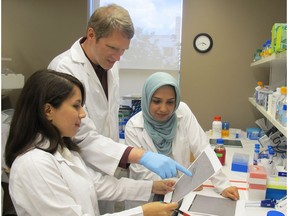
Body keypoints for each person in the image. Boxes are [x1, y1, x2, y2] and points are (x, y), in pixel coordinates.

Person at [48, 4, 191, 213]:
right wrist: (140, 155)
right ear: (91, 34)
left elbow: (108, 118)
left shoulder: (110, 64)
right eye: (113, 48)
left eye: (123, 50)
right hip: (78, 165)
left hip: (105, 168)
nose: (118, 57)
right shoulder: (64, 69)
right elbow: (83, 136)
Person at [4, 69, 179, 216]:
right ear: (48, 111)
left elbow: (100, 184)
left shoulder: (63, 151)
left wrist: (153, 187)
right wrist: (142, 212)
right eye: (76, 106)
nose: (83, 114)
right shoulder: (33, 165)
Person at [124, 72, 240, 208]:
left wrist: (223, 185)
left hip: (180, 197)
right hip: (147, 199)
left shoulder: (182, 112)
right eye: (156, 101)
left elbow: (202, 149)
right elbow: (141, 173)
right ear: (146, 98)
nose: (164, 108)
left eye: (170, 102)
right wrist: (182, 183)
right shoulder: (133, 126)